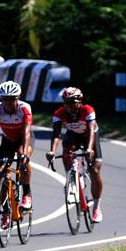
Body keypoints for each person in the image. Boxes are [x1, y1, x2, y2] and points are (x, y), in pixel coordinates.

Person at [47, 87, 104, 223]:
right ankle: (72, 179)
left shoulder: (87, 110)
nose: (68, 106)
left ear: (79, 102)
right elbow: (56, 134)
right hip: (74, 136)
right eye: (66, 103)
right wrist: (52, 151)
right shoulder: (59, 113)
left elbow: (91, 130)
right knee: (66, 150)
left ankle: (97, 207)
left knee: (94, 170)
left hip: (89, 136)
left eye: (72, 103)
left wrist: (89, 149)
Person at [0, 81, 33, 229]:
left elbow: (26, 132)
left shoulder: (24, 108)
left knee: (22, 158)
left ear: (18, 98)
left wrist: (24, 153)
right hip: (7, 141)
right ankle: (5, 209)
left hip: (23, 140)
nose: (8, 102)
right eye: (5, 99)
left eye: (12, 99)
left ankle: (26, 193)